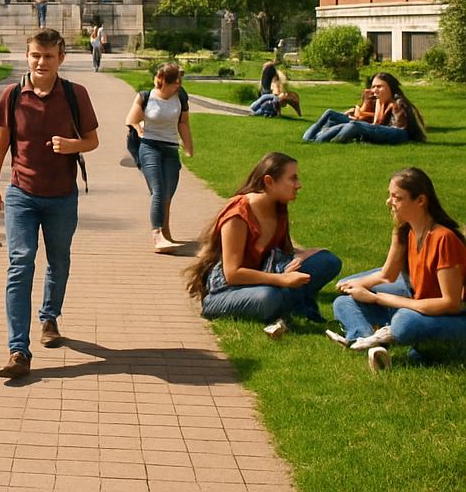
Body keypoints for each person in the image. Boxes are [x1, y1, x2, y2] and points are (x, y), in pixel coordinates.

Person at [0, 28, 99, 378]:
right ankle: (18, 349)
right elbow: (0, 146)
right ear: (27, 56)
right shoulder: (12, 95)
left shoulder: (74, 94)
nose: (41, 62)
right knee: (20, 264)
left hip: (63, 196)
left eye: (49, 56)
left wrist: (72, 145)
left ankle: (49, 317)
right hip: (22, 194)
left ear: (61, 59)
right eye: (36, 55)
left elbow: (92, 141)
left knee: (59, 261)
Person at [185, 152, 341, 335]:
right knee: (269, 296)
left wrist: (299, 254)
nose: (298, 185)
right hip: (225, 292)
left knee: (328, 261)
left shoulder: (278, 207)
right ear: (269, 182)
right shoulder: (238, 214)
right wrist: (282, 279)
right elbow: (232, 274)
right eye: (293, 178)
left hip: (265, 275)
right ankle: (294, 307)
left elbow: (281, 252)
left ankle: (287, 308)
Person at [327, 168, 466, 371]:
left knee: (405, 323)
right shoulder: (405, 231)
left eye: (396, 197)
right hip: (420, 305)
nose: (388, 202)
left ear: (420, 201)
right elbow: (388, 275)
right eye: (389, 195)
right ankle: (368, 344)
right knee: (344, 302)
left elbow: (451, 304)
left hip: (452, 318)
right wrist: (358, 286)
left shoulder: (443, 238)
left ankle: (434, 346)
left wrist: (375, 298)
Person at [125, 62, 194, 253]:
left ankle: (166, 232)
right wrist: (139, 129)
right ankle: (157, 236)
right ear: (163, 81)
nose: (178, 85)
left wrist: (189, 146)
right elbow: (131, 120)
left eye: (179, 83)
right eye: (174, 83)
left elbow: (184, 123)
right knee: (158, 190)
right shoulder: (145, 97)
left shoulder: (180, 97)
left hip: (170, 149)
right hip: (149, 147)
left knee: (167, 195)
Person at [302, 71, 425, 144]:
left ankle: (323, 141)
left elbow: (396, 127)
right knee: (331, 114)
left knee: (354, 125)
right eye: (373, 86)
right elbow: (374, 122)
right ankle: (310, 138)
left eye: (379, 87)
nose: (374, 90)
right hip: (384, 130)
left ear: (390, 88)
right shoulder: (379, 102)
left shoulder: (397, 103)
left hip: (399, 134)